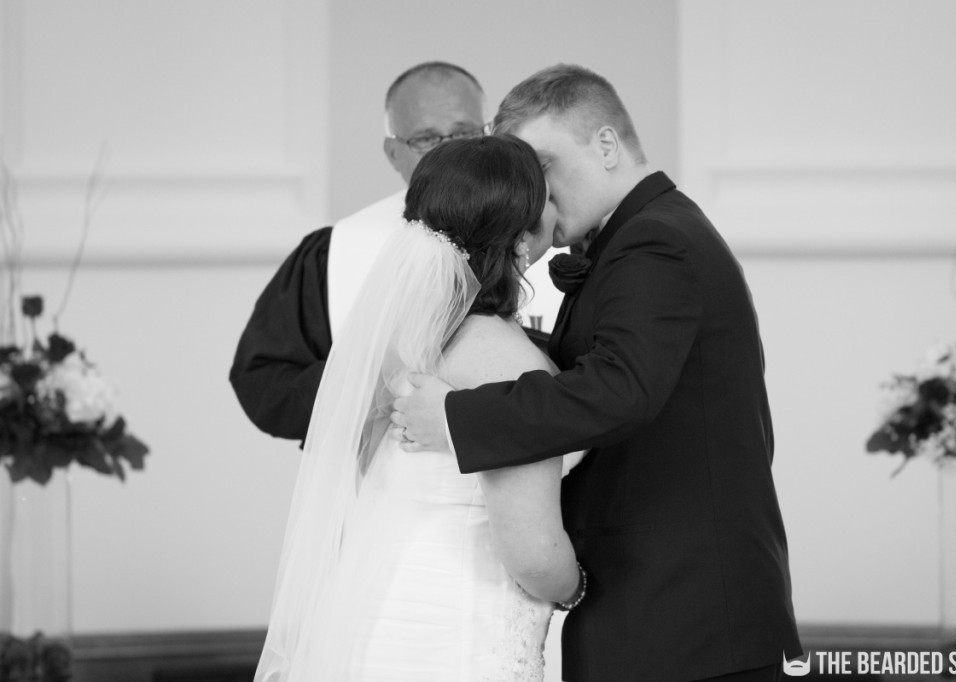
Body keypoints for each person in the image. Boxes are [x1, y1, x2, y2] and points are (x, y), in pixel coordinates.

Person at [392, 64, 803, 682]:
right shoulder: (642, 236)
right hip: (666, 611)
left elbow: (621, 390)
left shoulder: (655, 242)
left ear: (606, 144)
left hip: (687, 618)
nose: (538, 197)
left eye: (545, 167)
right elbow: (603, 371)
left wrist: (453, 417)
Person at [255, 135, 584, 681]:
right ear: (521, 238)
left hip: (378, 608)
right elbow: (533, 555)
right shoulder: (506, 365)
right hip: (456, 634)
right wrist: (580, 588)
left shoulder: (402, 336)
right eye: (545, 197)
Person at [229, 61, 495, 442]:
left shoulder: (549, 236)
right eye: (426, 139)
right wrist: (373, 386)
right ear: (392, 153)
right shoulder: (338, 251)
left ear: (491, 135)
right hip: (383, 489)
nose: (448, 154)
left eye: (464, 133)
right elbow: (265, 382)